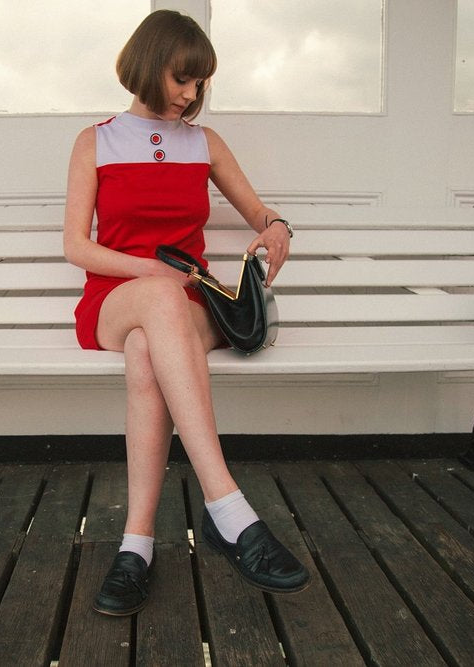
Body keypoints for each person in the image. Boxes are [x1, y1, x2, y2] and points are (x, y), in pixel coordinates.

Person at [63, 9, 309, 616]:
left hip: (187, 305)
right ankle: (228, 507)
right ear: (147, 68)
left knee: (153, 344)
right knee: (157, 304)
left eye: (200, 82)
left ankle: (135, 545)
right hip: (116, 296)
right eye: (181, 78)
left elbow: (258, 213)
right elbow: (76, 246)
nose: (191, 94)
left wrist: (276, 227)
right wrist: (151, 270)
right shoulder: (95, 140)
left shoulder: (205, 143)